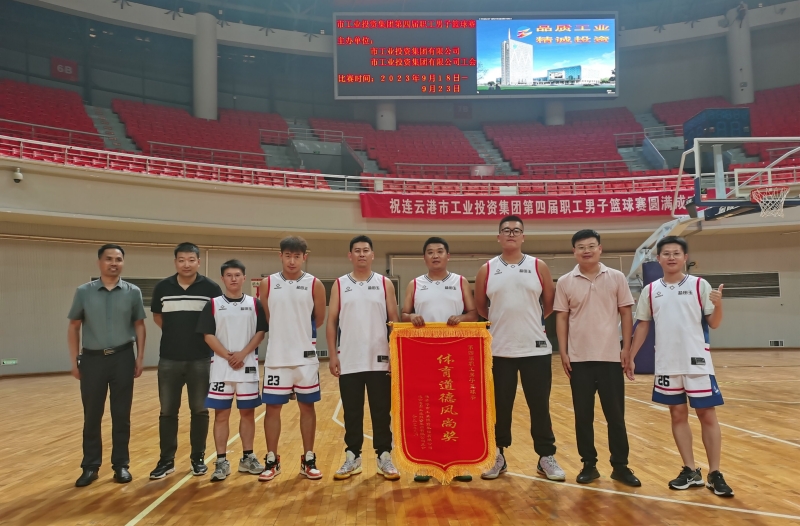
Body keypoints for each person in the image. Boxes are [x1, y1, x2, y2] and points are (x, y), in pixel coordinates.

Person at [628, 236, 734, 497]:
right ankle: (690, 469)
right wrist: (630, 355)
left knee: (706, 414)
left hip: (697, 361)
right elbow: (643, 325)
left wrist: (719, 304)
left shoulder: (699, 285)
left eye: (676, 253)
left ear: (685, 258)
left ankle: (715, 473)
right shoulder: (651, 290)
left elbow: (714, 323)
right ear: (658, 258)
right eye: (666, 253)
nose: (671, 257)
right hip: (666, 363)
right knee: (677, 415)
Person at [474, 215, 565, 481]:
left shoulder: (538, 266)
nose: (511, 234)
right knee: (500, 408)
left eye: (516, 230)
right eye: (506, 230)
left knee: (540, 406)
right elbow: (481, 307)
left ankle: (545, 456)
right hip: (500, 350)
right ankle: (498, 455)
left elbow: (549, 303)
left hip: (535, 350)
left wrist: (531, 322)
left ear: (523, 236)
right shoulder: (487, 269)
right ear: (498, 237)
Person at [554, 230, 640, 487]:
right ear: (574, 251)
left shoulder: (616, 277)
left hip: (610, 358)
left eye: (591, 246)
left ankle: (620, 466)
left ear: (600, 249)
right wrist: (563, 351)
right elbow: (561, 317)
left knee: (616, 416)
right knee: (583, 417)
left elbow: (626, 313)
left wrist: (626, 348)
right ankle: (588, 465)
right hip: (579, 360)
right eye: (581, 247)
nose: (587, 250)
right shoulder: (565, 281)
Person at [67, 244, 147, 487]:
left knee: (121, 415)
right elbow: (74, 326)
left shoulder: (133, 292)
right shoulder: (84, 292)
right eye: (109, 258)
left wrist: (140, 357)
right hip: (92, 360)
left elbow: (140, 325)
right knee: (92, 415)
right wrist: (75, 360)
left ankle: (121, 465)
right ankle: (90, 467)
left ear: (123, 263)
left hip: (123, 357)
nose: (114, 263)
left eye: (118, 259)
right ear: (99, 262)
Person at [400, 236, 478, 483]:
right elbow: (403, 314)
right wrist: (411, 317)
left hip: (454, 355)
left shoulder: (460, 281)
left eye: (440, 251)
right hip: (423, 355)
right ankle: (424, 464)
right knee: (426, 407)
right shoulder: (415, 284)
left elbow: (474, 314)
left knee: (455, 408)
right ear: (424, 258)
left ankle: (459, 463)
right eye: (430, 252)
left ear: (448, 256)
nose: (435, 255)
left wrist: (461, 318)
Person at [327, 235, 401, 481]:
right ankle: (353, 456)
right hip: (349, 359)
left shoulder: (384, 283)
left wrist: (395, 354)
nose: (361, 254)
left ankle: (384, 456)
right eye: (357, 250)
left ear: (372, 255)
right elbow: (331, 321)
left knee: (381, 411)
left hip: (380, 359)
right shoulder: (339, 284)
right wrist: (332, 355)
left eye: (365, 250)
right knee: (352, 412)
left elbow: (394, 321)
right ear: (350, 255)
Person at [149, 242, 222, 479]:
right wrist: (175, 334)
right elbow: (158, 316)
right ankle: (166, 461)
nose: (186, 264)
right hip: (169, 359)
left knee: (199, 411)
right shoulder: (163, 287)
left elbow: (216, 320)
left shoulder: (211, 288)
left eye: (191, 260)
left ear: (198, 262)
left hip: (200, 359)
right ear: (175, 262)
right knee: (167, 412)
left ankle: (198, 459)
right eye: (181, 260)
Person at [258, 237, 327, 482]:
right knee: (272, 409)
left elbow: (319, 318)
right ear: (281, 256)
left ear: (304, 257)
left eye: (297, 256)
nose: (292, 260)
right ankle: (272, 460)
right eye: (288, 255)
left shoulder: (315, 284)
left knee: (307, 407)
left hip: (305, 358)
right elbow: (268, 317)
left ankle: (308, 459)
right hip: (277, 358)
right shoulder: (267, 283)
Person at [196, 259, 267, 482]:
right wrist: (229, 356)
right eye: (229, 275)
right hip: (221, 368)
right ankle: (221, 461)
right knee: (221, 414)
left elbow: (260, 332)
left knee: (248, 413)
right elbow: (208, 335)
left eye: (237, 275)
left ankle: (247, 457)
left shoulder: (255, 304)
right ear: (222, 278)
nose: (233, 278)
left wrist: (242, 354)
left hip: (247, 367)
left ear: (244, 277)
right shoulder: (213, 304)